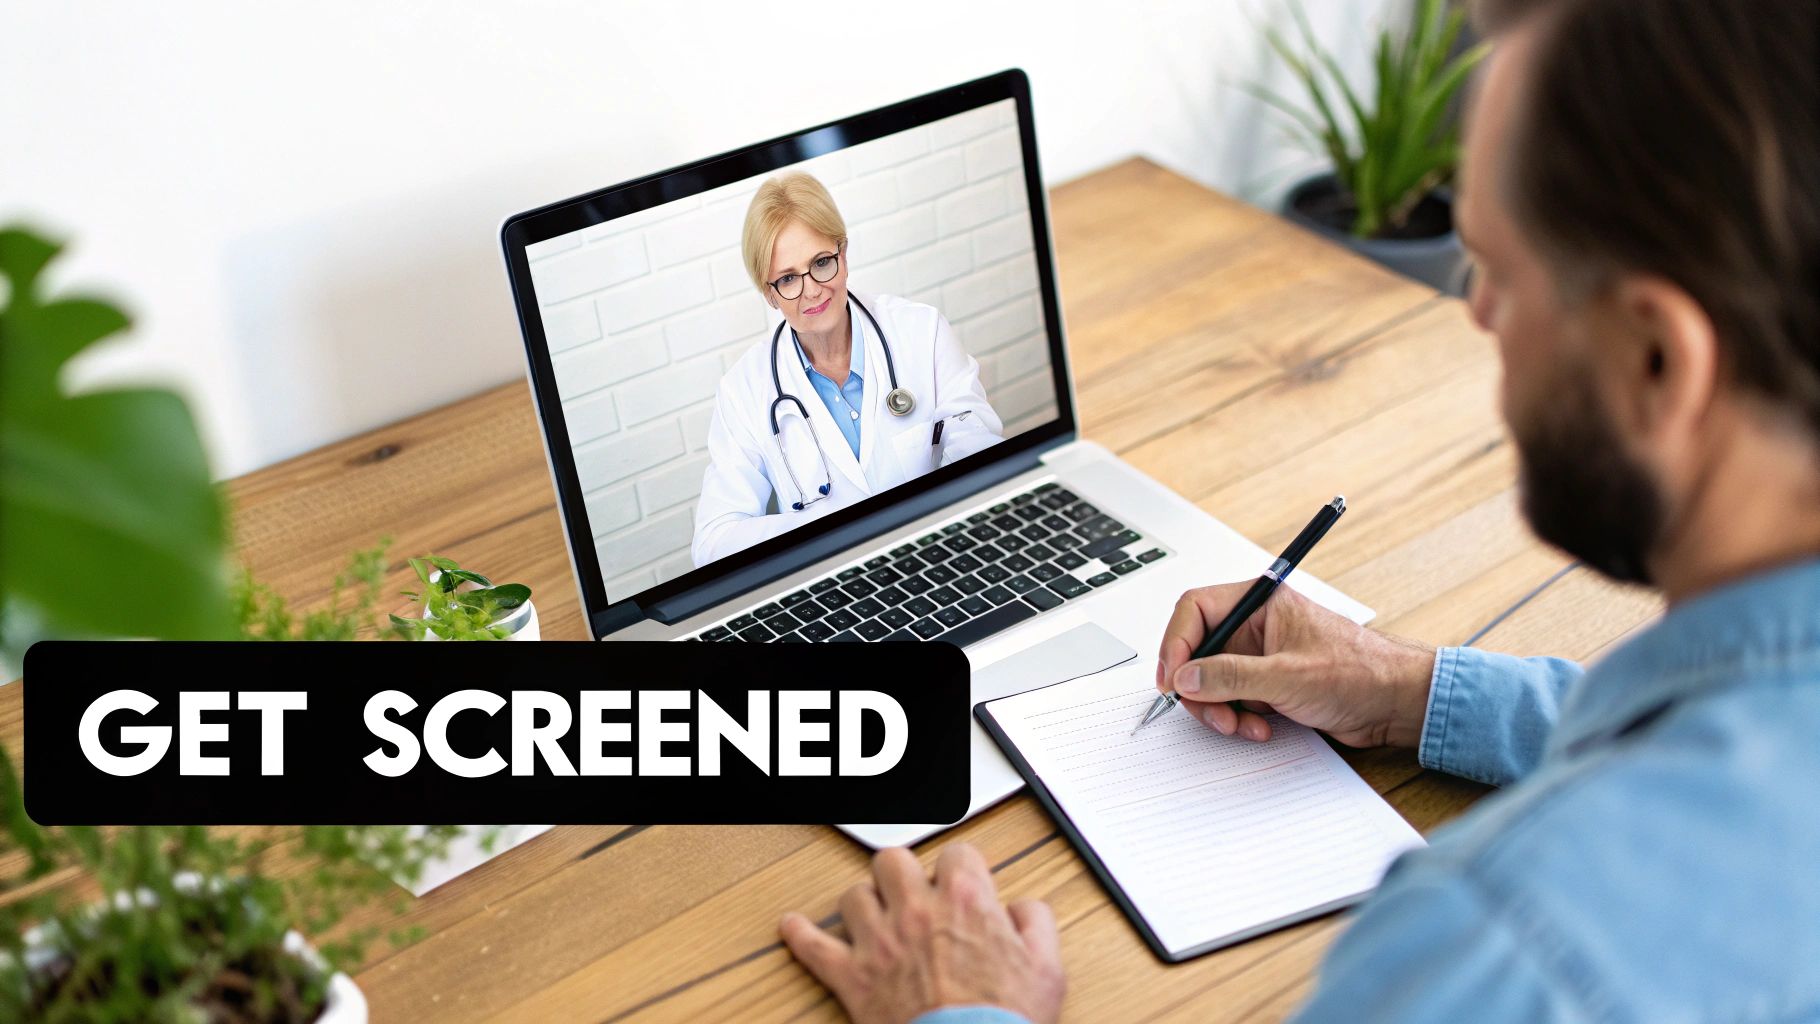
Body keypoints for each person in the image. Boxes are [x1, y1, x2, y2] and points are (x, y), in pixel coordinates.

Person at [777, 0, 1820, 1019]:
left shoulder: (1496, 958)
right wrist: (1415, 691)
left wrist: (961, 1009)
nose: (1476, 310)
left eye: (1497, 268)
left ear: (1655, 359)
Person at [691, 173, 1004, 567]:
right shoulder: (743, 391)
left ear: (844, 254)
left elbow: (981, 452)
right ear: (768, 293)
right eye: (787, 278)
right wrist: (819, 528)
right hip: (832, 576)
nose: (811, 290)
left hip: (940, 553)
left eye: (822, 262)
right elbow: (713, 541)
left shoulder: (921, 331)